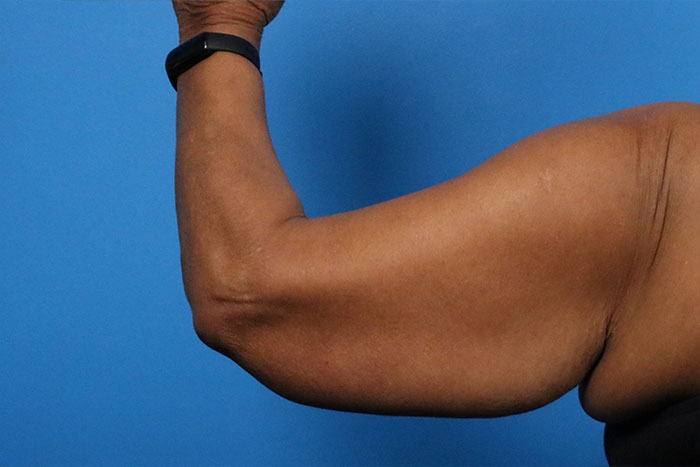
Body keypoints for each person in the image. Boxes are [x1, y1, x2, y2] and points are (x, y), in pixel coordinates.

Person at [169, 1, 699, 464]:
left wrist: (219, 22)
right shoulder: (669, 187)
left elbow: (244, 292)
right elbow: (245, 295)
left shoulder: (669, 185)